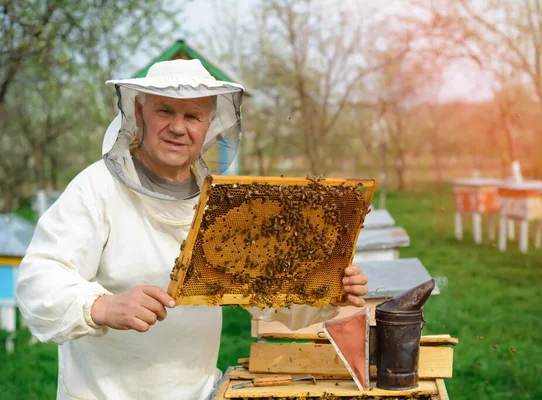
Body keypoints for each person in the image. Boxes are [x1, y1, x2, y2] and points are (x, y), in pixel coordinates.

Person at [16, 59, 369, 400]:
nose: (178, 127)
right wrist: (102, 306)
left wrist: (327, 287)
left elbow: (271, 299)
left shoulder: (224, 204)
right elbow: (37, 279)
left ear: (210, 124)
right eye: (165, 111)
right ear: (139, 113)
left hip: (199, 393)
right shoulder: (96, 188)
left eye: (192, 116)